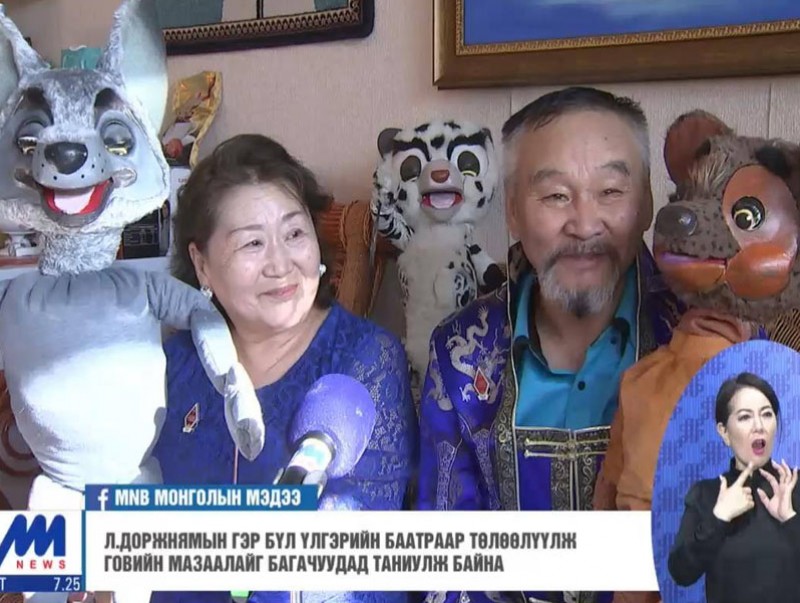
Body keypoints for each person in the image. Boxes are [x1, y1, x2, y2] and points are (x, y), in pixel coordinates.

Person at [416, 87, 682, 603]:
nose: (584, 224)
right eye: (556, 196)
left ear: (647, 203)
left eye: (611, 191)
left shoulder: (702, 342)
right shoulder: (460, 353)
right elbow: (447, 562)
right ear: (512, 212)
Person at [149, 134, 418, 603]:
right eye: (252, 243)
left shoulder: (364, 360)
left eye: (294, 234)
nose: (281, 264)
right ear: (202, 265)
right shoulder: (173, 366)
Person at [667, 372, 800, 603]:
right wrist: (719, 518)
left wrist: (790, 519)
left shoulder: (794, 486)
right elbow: (681, 572)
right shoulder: (705, 494)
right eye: (745, 417)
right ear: (724, 431)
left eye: (767, 414)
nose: (759, 426)